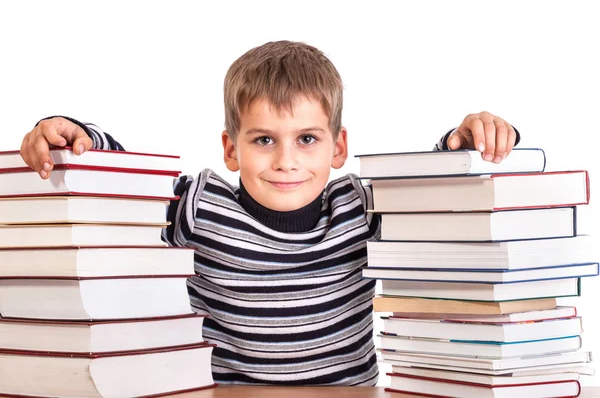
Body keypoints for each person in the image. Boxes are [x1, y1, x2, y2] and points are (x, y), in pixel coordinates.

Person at [19, 40, 519, 385]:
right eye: (263, 140)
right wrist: (73, 133)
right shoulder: (202, 205)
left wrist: (473, 138)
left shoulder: (360, 207)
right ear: (231, 149)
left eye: (306, 139)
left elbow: (435, 197)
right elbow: (126, 184)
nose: (286, 161)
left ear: (337, 147)